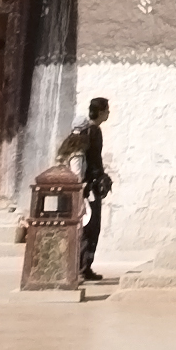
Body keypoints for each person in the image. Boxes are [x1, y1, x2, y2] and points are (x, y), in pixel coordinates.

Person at [59, 95, 112, 283]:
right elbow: (87, 163)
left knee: (86, 227)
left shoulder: (82, 135)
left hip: (85, 185)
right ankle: (83, 266)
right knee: (90, 226)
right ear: (100, 111)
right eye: (107, 109)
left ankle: (83, 266)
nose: (108, 113)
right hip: (89, 187)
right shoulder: (93, 132)